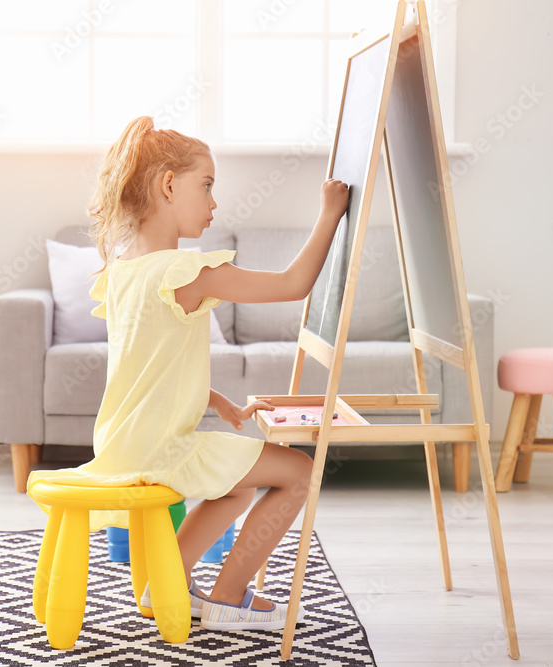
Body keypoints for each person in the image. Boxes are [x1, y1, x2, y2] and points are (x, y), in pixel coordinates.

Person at [32, 115, 349, 631]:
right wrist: (330, 214)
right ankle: (228, 596)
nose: (214, 201)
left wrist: (214, 398)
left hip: (123, 440)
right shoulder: (186, 271)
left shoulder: (122, 272)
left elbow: (149, 366)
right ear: (168, 185)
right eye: (207, 185)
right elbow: (293, 284)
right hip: (158, 447)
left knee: (236, 484)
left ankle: (171, 581)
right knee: (299, 473)